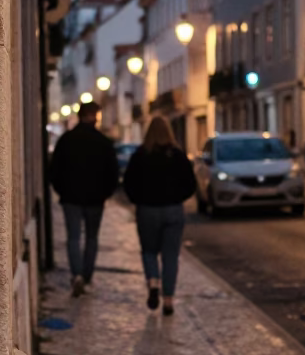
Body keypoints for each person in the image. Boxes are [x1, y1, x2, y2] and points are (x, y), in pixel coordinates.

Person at [123, 116, 196, 317]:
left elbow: (128, 183)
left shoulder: (140, 155)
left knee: (149, 252)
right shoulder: (178, 155)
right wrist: (177, 197)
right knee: (170, 256)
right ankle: (169, 300)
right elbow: (191, 184)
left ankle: (153, 283)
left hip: (147, 209)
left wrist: (138, 199)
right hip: (173, 209)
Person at [49, 100, 120, 296]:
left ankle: (76, 274)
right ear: (95, 117)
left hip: (70, 197)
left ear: (79, 116)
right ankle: (86, 277)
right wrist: (105, 193)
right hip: (95, 199)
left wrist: (61, 190)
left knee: (73, 237)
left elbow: (54, 170)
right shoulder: (103, 142)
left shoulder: (66, 140)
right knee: (91, 238)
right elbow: (113, 173)